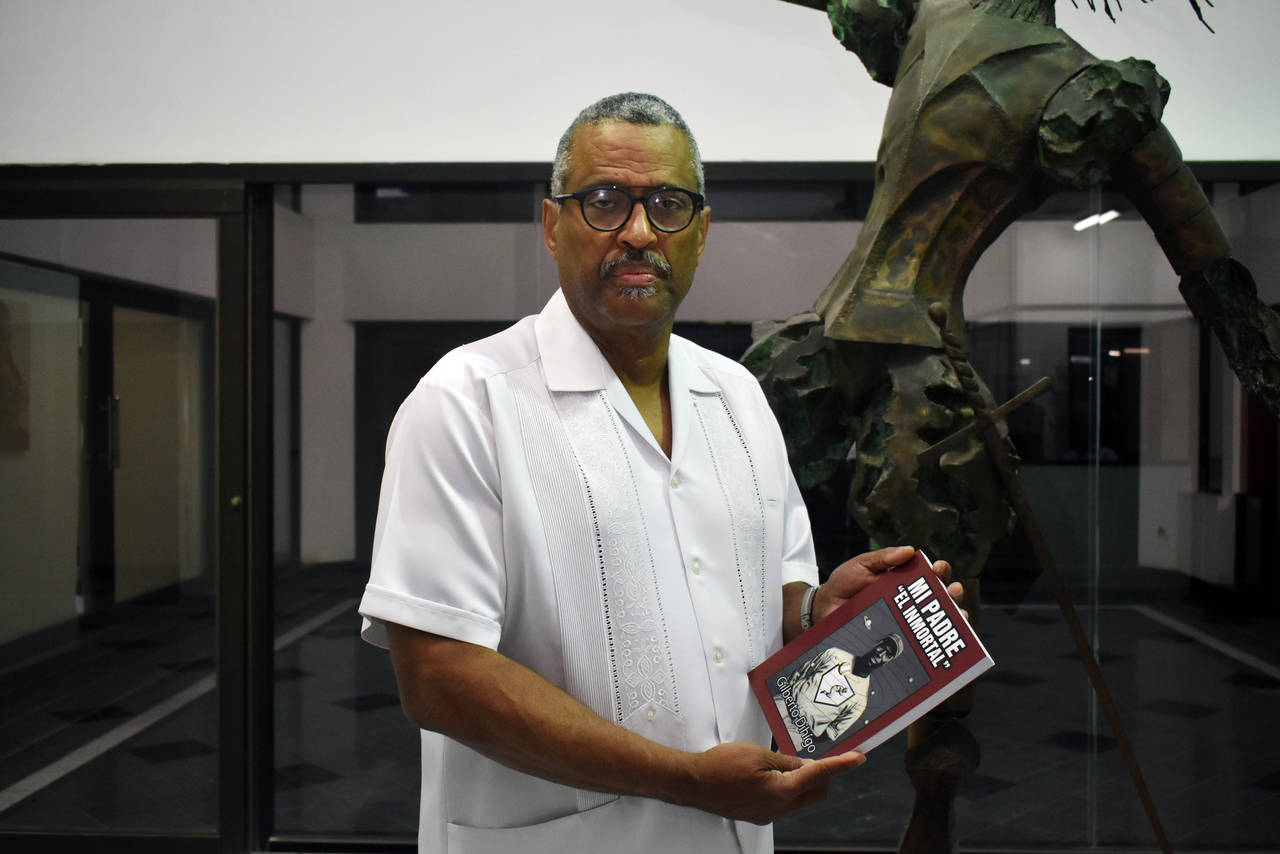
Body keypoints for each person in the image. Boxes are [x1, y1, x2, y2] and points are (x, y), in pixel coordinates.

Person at [358, 91, 959, 854]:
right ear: (551, 225)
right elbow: (438, 675)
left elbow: (758, 593)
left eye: (669, 205)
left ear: (701, 233)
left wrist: (816, 612)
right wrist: (685, 778)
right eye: (605, 201)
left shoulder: (737, 396)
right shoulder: (467, 400)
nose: (639, 232)